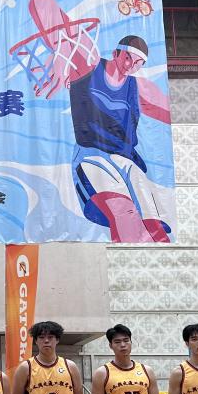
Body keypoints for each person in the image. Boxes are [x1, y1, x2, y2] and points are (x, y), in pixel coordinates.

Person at [68, 34, 173, 243]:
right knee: (123, 212)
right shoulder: (90, 67)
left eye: (138, 63)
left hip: (125, 160)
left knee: (153, 225)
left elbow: (167, 112)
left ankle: (162, 260)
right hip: (92, 155)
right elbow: (51, 18)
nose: (130, 66)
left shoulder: (138, 87)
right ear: (115, 53)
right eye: (127, 58)